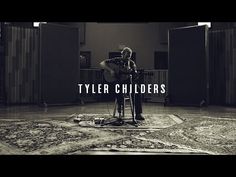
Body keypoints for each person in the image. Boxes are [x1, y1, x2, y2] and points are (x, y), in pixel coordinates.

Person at [100, 47, 145, 122]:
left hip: (128, 82)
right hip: (118, 83)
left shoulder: (131, 63)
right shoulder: (116, 60)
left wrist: (134, 73)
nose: (128, 58)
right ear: (122, 54)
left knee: (137, 89)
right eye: (127, 56)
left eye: (129, 56)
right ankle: (120, 110)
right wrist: (111, 70)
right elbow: (102, 63)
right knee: (119, 87)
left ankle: (138, 113)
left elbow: (135, 75)